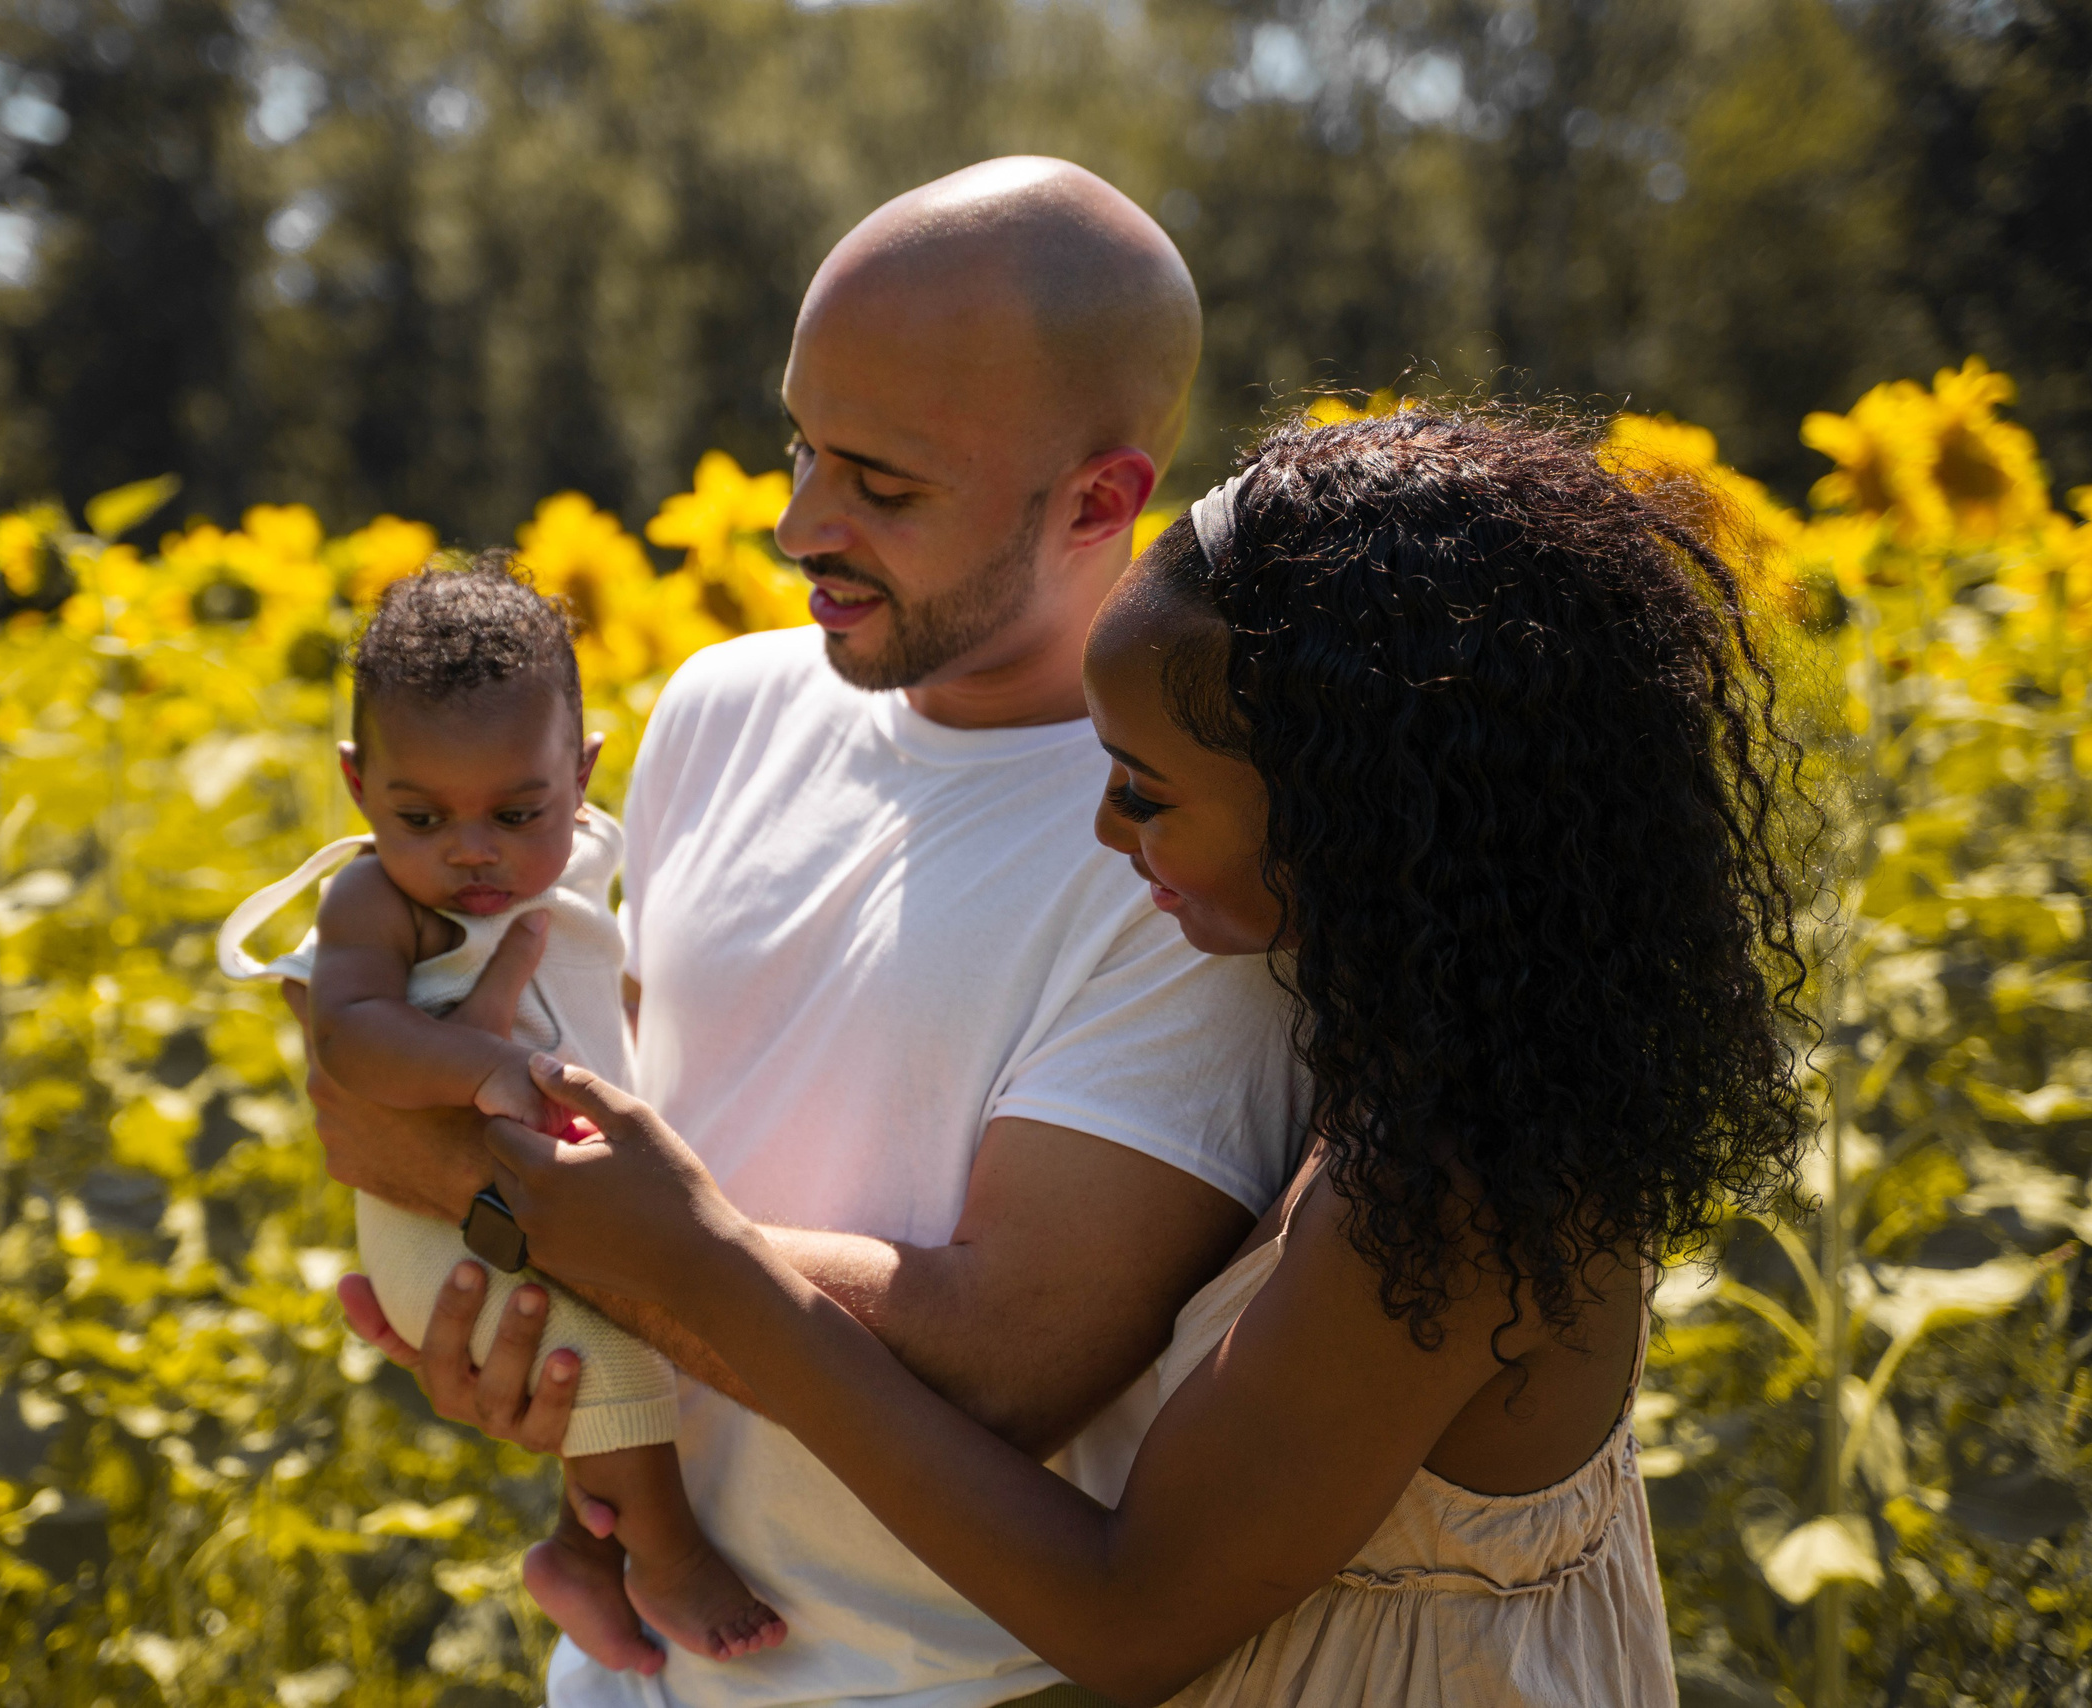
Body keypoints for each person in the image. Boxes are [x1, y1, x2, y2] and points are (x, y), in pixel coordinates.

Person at [446, 408, 1814, 1707]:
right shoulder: (1440, 1049)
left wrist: (703, 1267)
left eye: (1147, 790)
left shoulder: (1460, 1176)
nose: (1107, 832)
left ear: (1352, 815)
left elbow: (1125, 1618)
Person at [288, 156, 1311, 1707]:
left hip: (939, 1683)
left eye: (883, 487)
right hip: (630, 1664)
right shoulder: (721, 707)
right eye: (800, 448)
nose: (794, 524)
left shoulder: (1191, 846)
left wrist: (585, 1246)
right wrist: (563, 1308)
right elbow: (393, 1111)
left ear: (1102, 498)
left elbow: (1008, 1360)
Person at [218, 561, 783, 1663]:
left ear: (581, 774)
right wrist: (480, 1070)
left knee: (621, 1338)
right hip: (432, 1215)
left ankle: (579, 1556)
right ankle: (667, 1557)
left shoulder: (582, 859)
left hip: (541, 1182)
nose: (470, 850)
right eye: (417, 813)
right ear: (355, 783)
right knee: (608, 1370)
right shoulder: (376, 896)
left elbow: (584, 975)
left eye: (516, 812)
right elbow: (347, 1038)